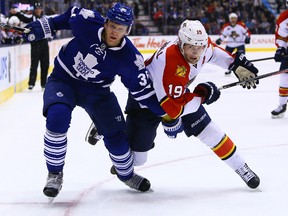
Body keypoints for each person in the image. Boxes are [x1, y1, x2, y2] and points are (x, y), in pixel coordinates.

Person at [86, 20, 261, 189]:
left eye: (200, 47)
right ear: (181, 43)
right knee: (139, 160)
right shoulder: (170, 63)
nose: (196, 52)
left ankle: (241, 168)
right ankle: (107, 125)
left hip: (176, 97)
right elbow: (173, 110)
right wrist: (203, 95)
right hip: (146, 103)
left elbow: (213, 53)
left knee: (211, 132)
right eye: (191, 47)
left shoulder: (201, 45)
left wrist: (235, 64)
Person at [23, 2, 165, 199]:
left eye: (121, 28)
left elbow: (143, 93)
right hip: (64, 80)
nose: (115, 32)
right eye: (113, 26)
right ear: (106, 23)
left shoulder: (130, 58)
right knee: (57, 118)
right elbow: (63, 20)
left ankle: (127, 174)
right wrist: (42, 27)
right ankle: (55, 174)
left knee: (117, 140)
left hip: (97, 92)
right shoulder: (87, 20)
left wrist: (167, 113)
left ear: (128, 30)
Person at [12, 2, 49, 90]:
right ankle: (31, 83)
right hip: (35, 43)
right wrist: (16, 12)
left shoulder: (45, 18)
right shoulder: (31, 17)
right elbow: (23, 17)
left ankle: (43, 83)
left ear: (41, 10)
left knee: (45, 64)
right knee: (34, 63)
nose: (37, 10)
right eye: (36, 9)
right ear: (34, 10)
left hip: (44, 43)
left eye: (39, 9)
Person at [271, 0, 288, 118]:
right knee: (284, 77)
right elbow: (282, 36)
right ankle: (282, 105)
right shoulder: (284, 18)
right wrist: (281, 49)